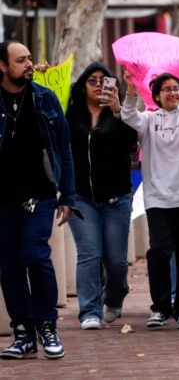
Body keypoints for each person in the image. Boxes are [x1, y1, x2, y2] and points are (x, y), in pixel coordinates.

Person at [121, 62, 179, 330]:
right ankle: (160, 307)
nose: (171, 93)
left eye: (176, 88)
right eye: (165, 89)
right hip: (158, 199)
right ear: (157, 96)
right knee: (159, 253)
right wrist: (130, 88)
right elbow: (128, 116)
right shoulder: (148, 120)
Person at [0, 41, 73, 359]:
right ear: (3, 66)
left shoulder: (45, 98)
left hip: (40, 195)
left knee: (35, 253)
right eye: (21, 60)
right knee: (9, 266)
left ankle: (47, 324)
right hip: (3, 199)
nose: (30, 63)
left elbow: (64, 147)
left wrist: (67, 194)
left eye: (29, 58)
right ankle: (23, 333)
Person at [65, 62, 137, 330]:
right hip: (80, 199)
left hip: (116, 199)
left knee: (116, 262)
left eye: (104, 81)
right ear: (82, 86)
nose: (98, 85)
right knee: (89, 255)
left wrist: (119, 109)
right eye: (92, 80)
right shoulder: (70, 116)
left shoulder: (121, 116)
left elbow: (131, 141)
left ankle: (115, 297)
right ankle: (89, 311)